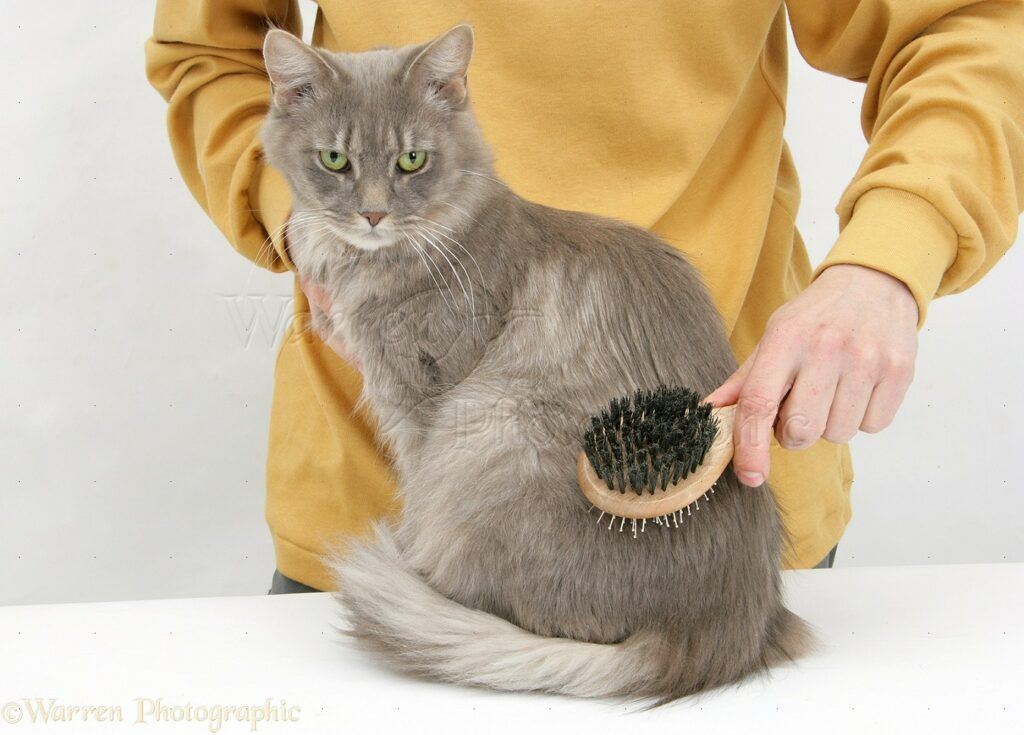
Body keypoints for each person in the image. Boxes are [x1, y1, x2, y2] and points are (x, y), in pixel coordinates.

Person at [146, 1, 1024, 592]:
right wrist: (303, 222)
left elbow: (970, 25)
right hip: (363, 497)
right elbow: (208, 48)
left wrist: (888, 258)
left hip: (715, 490)